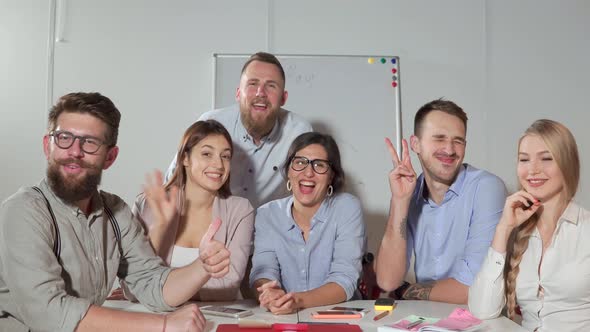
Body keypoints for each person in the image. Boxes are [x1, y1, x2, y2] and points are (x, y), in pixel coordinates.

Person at [0, 92, 221, 332]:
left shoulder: (116, 212)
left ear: (110, 157)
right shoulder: (23, 211)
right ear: (47, 146)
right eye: (64, 137)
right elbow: (49, 313)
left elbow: (152, 284)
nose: (75, 151)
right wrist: (165, 325)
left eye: (90, 142)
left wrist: (203, 266)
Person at [374, 99, 507, 304]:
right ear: (415, 144)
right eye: (439, 138)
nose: (450, 149)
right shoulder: (410, 191)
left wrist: (407, 291)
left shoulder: (487, 188)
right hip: (424, 322)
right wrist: (400, 201)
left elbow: (473, 288)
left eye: (458, 140)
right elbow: (387, 280)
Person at [469, 119, 590, 331]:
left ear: (567, 163)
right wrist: (503, 228)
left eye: (546, 158)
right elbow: (482, 311)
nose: (532, 170)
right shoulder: (517, 232)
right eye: (524, 160)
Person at [165, 51, 312, 209]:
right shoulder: (211, 123)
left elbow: (310, 190)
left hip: (269, 227)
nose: (260, 93)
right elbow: (175, 178)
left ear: (283, 98)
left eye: (271, 86)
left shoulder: (299, 132)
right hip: (217, 223)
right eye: (252, 84)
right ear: (238, 93)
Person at [132, 120, 254, 301]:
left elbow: (228, 286)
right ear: (185, 158)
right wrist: (159, 230)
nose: (219, 165)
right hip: (158, 319)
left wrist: (158, 290)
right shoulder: (148, 204)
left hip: (217, 318)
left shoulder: (241, 210)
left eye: (225, 156)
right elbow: (131, 286)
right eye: (206, 154)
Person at [249, 132, 366, 314]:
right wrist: (269, 293)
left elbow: (345, 279)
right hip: (283, 317)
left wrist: (296, 300)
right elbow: (263, 270)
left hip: (339, 318)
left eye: (319, 165)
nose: (308, 172)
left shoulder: (347, 207)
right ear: (289, 170)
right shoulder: (267, 214)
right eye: (300, 162)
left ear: (331, 176)